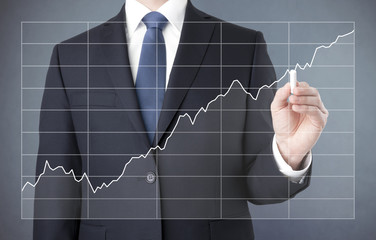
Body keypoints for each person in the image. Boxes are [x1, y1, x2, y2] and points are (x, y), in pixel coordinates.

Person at [33, 0, 328, 239]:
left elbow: (257, 184)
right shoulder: (70, 56)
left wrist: (289, 152)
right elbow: (55, 189)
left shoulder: (242, 47)